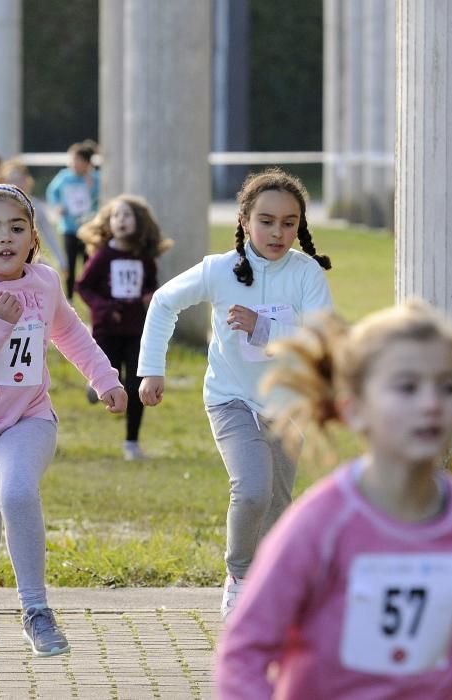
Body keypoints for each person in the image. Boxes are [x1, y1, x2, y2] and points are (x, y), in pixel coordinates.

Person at [216, 300, 452, 699]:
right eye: (408, 387)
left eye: (446, 386)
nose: (432, 403)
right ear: (355, 410)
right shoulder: (320, 523)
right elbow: (245, 649)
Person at [0, 184, 127, 699]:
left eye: (17, 227)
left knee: (17, 492)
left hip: (28, 418)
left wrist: (104, 378)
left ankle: (36, 610)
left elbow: (71, 334)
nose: (5, 238)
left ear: (33, 236)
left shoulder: (43, 282)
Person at [138, 168, 334, 620]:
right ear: (244, 220)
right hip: (231, 399)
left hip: (288, 403)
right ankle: (240, 577)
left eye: (289, 222)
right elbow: (164, 302)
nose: (277, 232)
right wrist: (151, 370)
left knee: (278, 501)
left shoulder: (305, 274)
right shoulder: (219, 271)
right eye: (266, 220)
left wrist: (264, 327)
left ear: (300, 225)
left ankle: (277, 586)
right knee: (251, 490)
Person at [76, 195, 172, 460]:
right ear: (109, 222)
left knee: (135, 386)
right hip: (107, 330)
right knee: (110, 377)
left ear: (138, 222)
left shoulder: (144, 258)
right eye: (116, 216)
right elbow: (82, 286)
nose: (121, 220)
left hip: (137, 331)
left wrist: (150, 296)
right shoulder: (104, 255)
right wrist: (105, 308)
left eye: (127, 215)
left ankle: (131, 442)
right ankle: (95, 384)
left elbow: (152, 286)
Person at [45, 143, 100, 299]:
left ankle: (90, 297)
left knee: (89, 263)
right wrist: (58, 206)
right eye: (72, 160)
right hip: (69, 227)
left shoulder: (95, 179)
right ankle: (68, 298)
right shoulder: (64, 177)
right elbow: (52, 192)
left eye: (77, 160)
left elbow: (100, 200)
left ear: (87, 163)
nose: (73, 164)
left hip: (88, 229)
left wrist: (92, 188)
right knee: (69, 262)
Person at [0, 159, 64, 272]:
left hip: (29, 260)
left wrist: (61, 260)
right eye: (12, 180)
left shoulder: (36, 206)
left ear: (27, 180)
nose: (17, 184)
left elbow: (48, 234)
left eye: (20, 179)